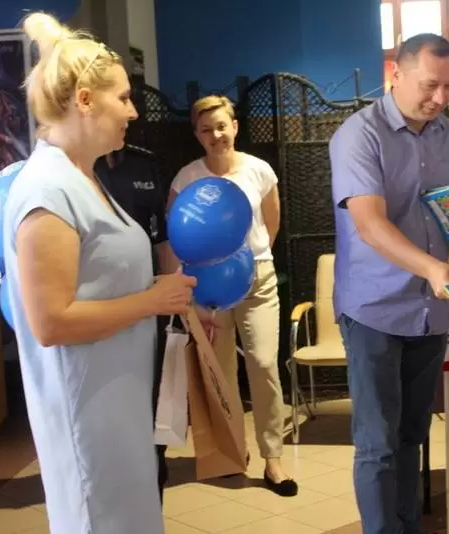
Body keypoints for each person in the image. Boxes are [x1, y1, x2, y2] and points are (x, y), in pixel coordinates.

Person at [1, 12, 196, 534]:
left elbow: (99, 282)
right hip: (88, 413)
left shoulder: (82, 179)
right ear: (85, 100)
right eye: (124, 98)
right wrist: (152, 300)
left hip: (117, 401)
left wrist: (152, 290)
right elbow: (51, 323)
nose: (133, 111)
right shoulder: (48, 190)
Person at [329, 33, 449, 534]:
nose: (441, 98)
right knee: (377, 443)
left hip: (428, 310)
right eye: (429, 85)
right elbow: (370, 225)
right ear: (395, 75)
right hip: (374, 308)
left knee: (411, 436)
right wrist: (431, 268)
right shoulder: (358, 135)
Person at [165, 95, 296, 496]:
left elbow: (271, 224)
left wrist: (249, 262)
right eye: (206, 129)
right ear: (197, 135)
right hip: (207, 286)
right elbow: (176, 234)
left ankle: (273, 458)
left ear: (235, 126)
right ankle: (232, 450)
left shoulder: (259, 170)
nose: (216, 135)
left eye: (222, 126)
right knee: (220, 372)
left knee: (263, 363)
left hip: (257, 278)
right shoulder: (186, 178)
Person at [94, 143, 171, 502]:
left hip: (151, 309)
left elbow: (162, 239)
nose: (132, 116)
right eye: (123, 109)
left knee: (153, 413)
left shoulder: (145, 164)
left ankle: (152, 496)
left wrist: (180, 303)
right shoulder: (74, 172)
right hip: (102, 318)